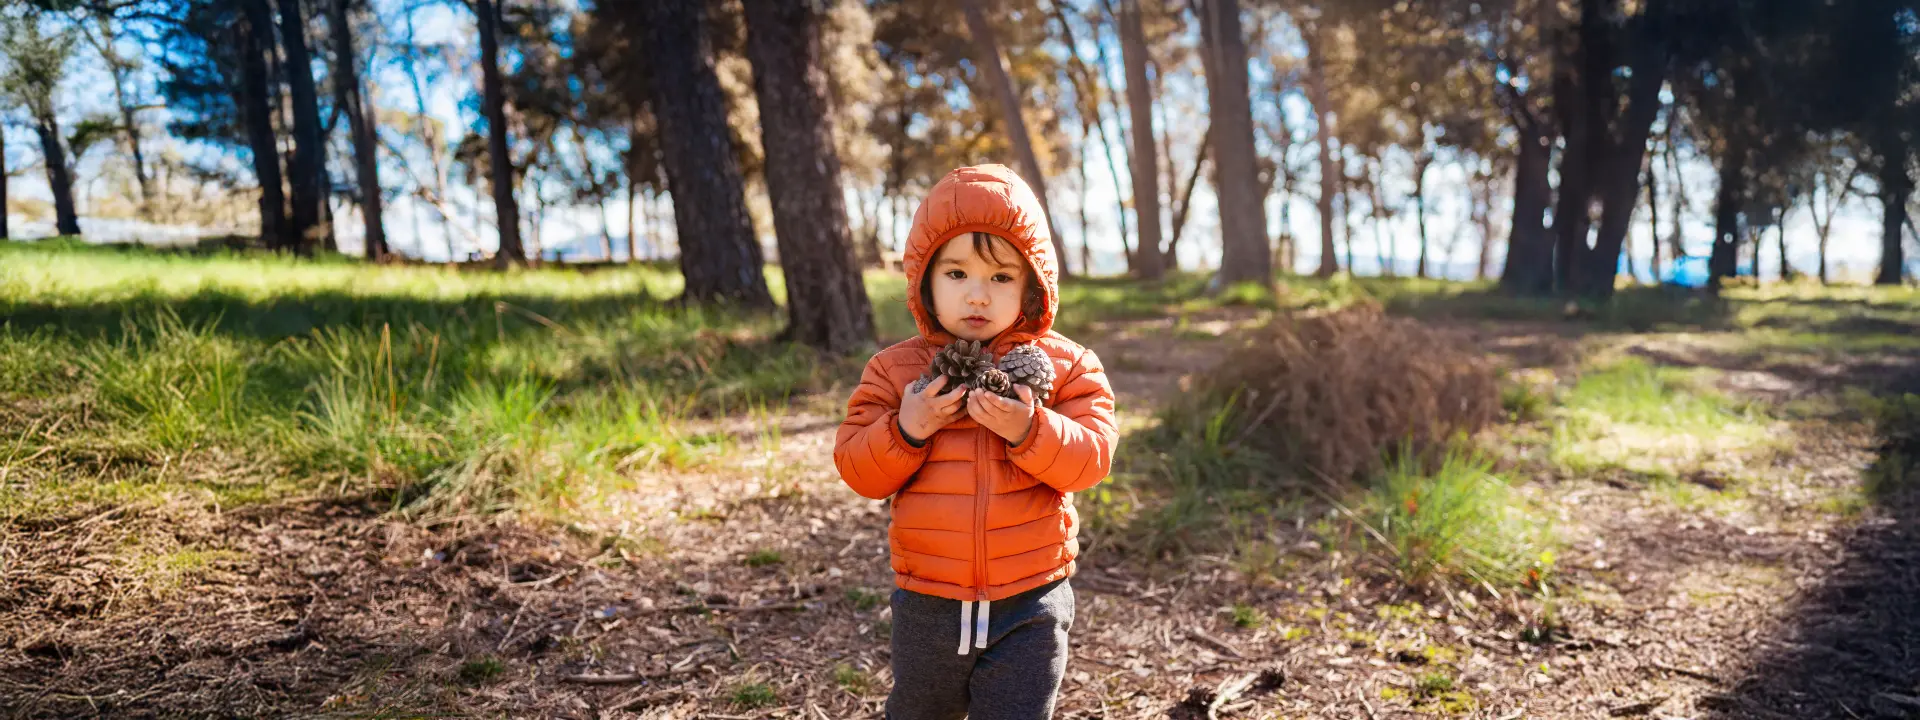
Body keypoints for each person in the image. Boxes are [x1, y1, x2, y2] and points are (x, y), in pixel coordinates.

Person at [833, 164, 1119, 719]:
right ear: (925, 280)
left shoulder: (1067, 367)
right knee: (920, 710)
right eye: (958, 274)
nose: (978, 296)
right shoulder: (896, 373)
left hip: (1031, 597)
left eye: (1001, 277)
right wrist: (906, 429)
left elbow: (1092, 459)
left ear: (1033, 283)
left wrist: (1031, 430)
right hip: (928, 599)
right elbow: (856, 468)